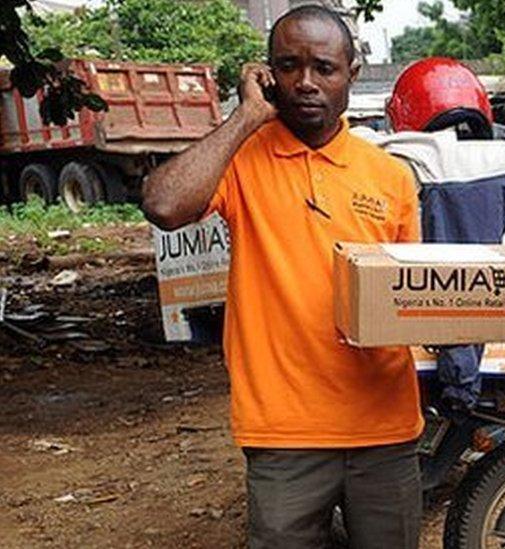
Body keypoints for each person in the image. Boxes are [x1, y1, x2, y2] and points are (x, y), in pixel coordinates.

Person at [141, 5, 423, 548]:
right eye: (288, 66)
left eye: (324, 67)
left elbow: (410, 298)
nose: (305, 83)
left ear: (352, 73)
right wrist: (246, 118)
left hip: (384, 428)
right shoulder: (242, 161)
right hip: (283, 432)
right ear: (267, 74)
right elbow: (164, 205)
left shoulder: (390, 177)